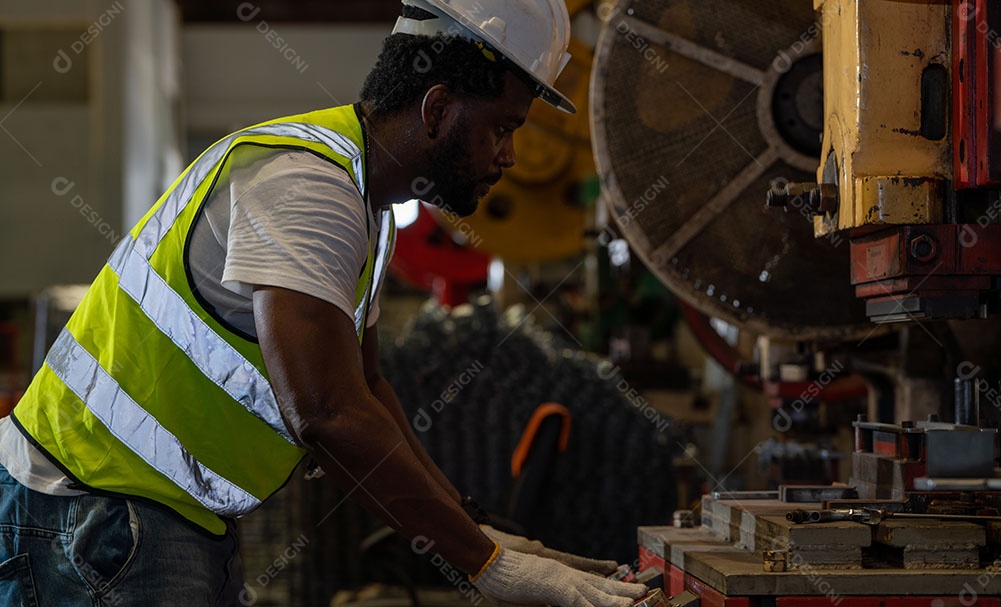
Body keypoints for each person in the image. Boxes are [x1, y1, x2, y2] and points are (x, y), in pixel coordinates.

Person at [0, 1, 648, 605]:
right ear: (438, 108)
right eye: (501, 129)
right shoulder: (308, 186)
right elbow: (327, 412)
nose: (508, 156)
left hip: (148, 507)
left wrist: (471, 524)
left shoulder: (366, 205)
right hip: (91, 506)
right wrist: (488, 565)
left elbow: (365, 387)